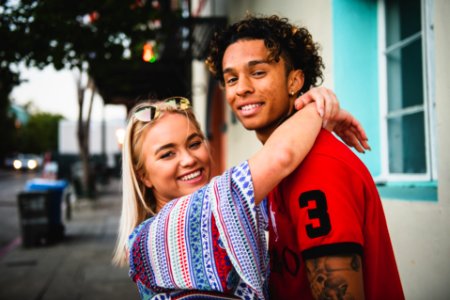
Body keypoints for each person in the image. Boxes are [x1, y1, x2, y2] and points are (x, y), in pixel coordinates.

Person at [205, 14, 404, 299]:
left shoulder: (319, 167)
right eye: (232, 78)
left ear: (295, 80)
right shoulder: (275, 165)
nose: (242, 88)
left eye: (258, 72)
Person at [113, 95, 368, 299]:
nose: (190, 159)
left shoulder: (219, 208)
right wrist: (318, 108)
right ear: (143, 175)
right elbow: (282, 157)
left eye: (194, 143)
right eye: (167, 154)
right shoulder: (163, 231)